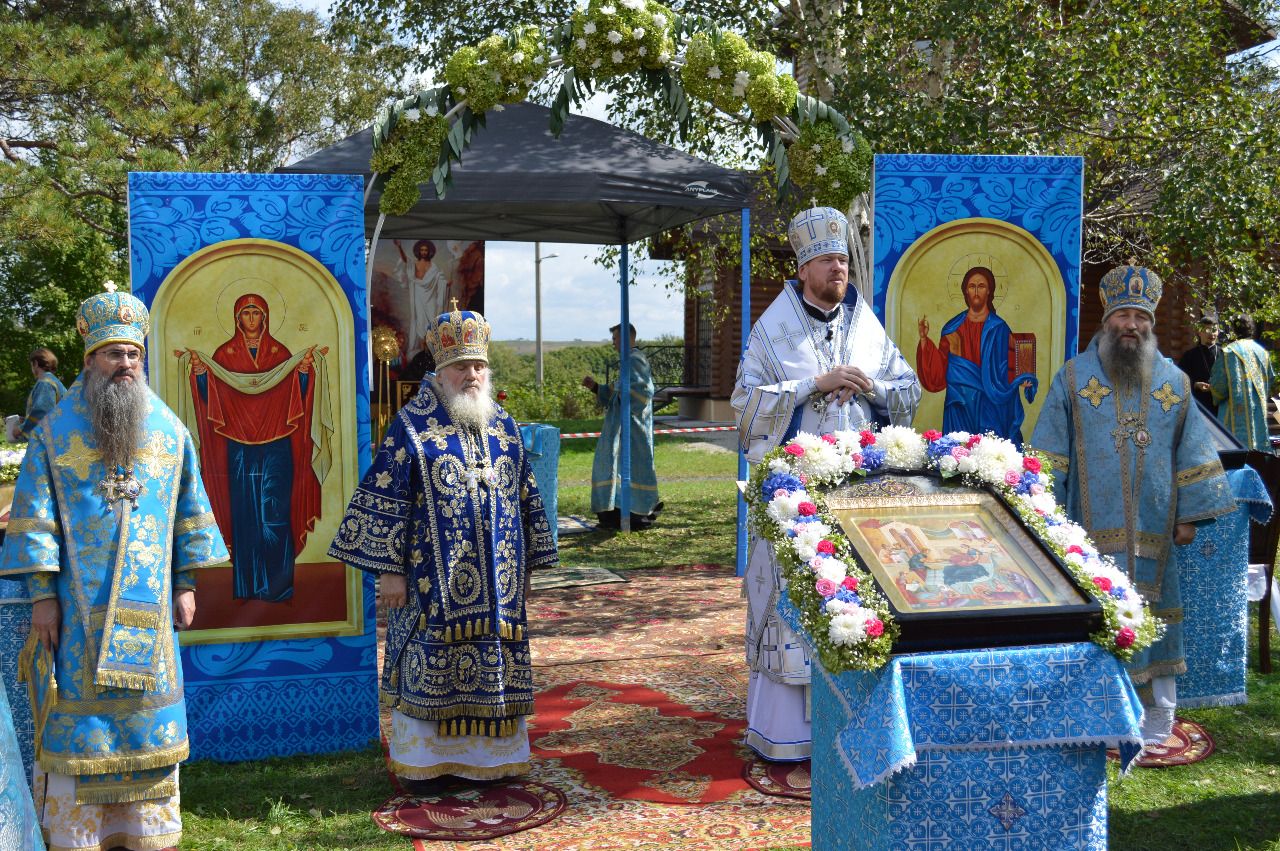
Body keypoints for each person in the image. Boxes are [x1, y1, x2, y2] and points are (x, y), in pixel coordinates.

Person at [0, 282, 228, 851]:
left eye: (132, 353)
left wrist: (185, 583)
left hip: (150, 614)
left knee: (147, 723)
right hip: (77, 615)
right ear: (89, 360)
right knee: (81, 723)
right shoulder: (54, 435)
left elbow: (187, 513)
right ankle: (82, 837)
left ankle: (144, 835)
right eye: (112, 353)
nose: (125, 363)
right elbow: (35, 520)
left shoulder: (169, 431)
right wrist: (42, 599)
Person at [329, 304, 558, 785]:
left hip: (498, 587)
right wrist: (389, 572)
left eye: (478, 366)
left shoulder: (505, 426)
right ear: (439, 370)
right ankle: (427, 765)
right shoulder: (411, 427)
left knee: (495, 661)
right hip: (429, 583)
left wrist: (526, 571)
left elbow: (526, 501)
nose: (471, 375)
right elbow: (385, 499)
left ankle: (492, 763)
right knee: (430, 662)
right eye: (461, 366)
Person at [732, 206, 921, 761]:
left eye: (843, 260)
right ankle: (787, 735)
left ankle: (856, 726)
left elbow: (909, 390)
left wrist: (872, 387)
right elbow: (745, 405)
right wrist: (812, 384)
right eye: (828, 261)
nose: (839, 268)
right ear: (804, 268)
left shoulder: (867, 327)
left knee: (858, 600)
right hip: (796, 497)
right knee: (794, 602)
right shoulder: (772, 330)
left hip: (860, 495)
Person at [1029, 264, 1235, 746]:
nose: (1132, 325)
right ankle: (1095, 717)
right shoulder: (1074, 378)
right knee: (1092, 614)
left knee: (1155, 614)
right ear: (1106, 322)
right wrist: (1046, 513)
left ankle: (1156, 720)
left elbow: (1193, 449)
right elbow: (1050, 451)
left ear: (1151, 324)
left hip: (1155, 531)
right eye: (1123, 315)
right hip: (1085, 533)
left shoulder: (1175, 383)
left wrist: (1189, 515)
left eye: (1141, 317)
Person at [175, 293, 331, 602]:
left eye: (256, 313)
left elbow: (296, 396)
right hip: (239, 448)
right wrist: (202, 374)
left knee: (275, 511)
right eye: (245, 313)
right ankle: (248, 585)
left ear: (265, 317)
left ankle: (279, 586)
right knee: (245, 512)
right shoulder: (224, 354)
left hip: (277, 445)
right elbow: (210, 399)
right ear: (236, 319)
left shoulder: (280, 353)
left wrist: (302, 371)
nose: (250, 318)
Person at [916, 265, 1038, 442]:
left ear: (989, 291)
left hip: (989, 403)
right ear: (965, 291)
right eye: (972, 286)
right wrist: (924, 340)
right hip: (958, 403)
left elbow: (1010, 362)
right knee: (957, 452)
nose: (976, 291)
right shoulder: (952, 327)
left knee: (988, 453)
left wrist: (1022, 378)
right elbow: (939, 370)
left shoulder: (999, 328)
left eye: (981, 286)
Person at [582, 323, 660, 530]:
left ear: (626, 338)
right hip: (620, 428)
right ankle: (613, 514)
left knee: (630, 469)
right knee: (612, 468)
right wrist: (596, 387)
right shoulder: (629, 360)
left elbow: (644, 391)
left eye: (615, 338)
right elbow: (617, 390)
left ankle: (635, 515)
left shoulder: (635, 360)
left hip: (632, 429)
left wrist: (624, 400)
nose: (613, 343)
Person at [1210, 315, 1274, 451]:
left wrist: (1211, 389)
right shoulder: (1262, 353)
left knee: (1232, 451)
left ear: (1233, 330)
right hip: (1257, 413)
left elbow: (1219, 388)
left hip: (1233, 415)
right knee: (1257, 453)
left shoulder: (1229, 352)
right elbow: (1270, 380)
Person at [395, 238, 449, 358]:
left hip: (430, 298)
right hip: (418, 296)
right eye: (422, 250)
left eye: (425, 250)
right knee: (419, 320)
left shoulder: (433, 267)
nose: (423, 252)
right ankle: (420, 348)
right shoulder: (414, 264)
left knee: (431, 319)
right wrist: (399, 247)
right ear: (418, 251)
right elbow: (405, 260)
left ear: (429, 252)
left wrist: (446, 284)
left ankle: (432, 348)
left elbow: (440, 279)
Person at [11, 347, 67, 442]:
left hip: (51, 441)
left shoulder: (45, 383)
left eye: (31, 365)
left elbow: (42, 412)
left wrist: (21, 429)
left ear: (36, 363)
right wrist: (26, 420)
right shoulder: (54, 381)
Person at [1177, 314, 1220, 411]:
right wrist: (1195, 384)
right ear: (1199, 332)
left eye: (1215, 330)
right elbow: (1180, 380)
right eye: (1208, 330)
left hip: (1220, 407)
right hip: (1197, 406)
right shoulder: (1189, 356)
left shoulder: (1224, 354)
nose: (1212, 334)